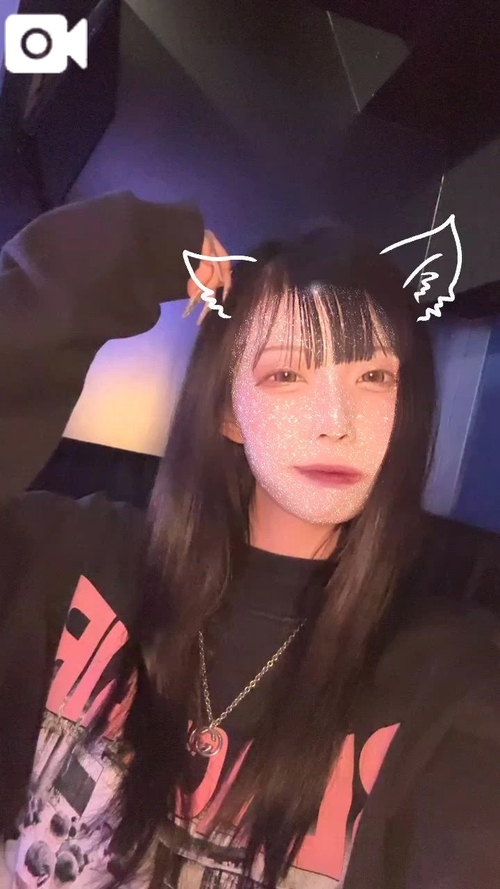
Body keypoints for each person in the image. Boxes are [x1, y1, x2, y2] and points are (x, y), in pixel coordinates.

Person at [0, 191, 500, 889]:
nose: (336, 421)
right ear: (228, 412)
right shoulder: (72, 555)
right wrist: (113, 252)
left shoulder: (452, 678)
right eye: (286, 374)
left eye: (374, 376)